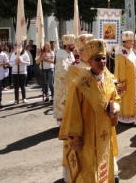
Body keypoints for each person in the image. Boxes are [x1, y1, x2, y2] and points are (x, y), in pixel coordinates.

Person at [59, 39, 120, 183]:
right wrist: (75, 137)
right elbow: (74, 110)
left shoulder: (109, 79)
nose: (102, 62)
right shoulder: (81, 82)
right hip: (87, 134)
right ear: (90, 62)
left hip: (105, 131)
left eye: (104, 58)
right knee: (89, 168)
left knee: (103, 163)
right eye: (97, 59)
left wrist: (116, 107)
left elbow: (116, 98)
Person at [60, 33, 94, 182]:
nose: (92, 52)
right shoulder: (74, 68)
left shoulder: (98, 63)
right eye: (87, 49)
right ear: (80, 52)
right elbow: (75, 88)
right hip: (79, 113)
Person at [114, 31, 136, 126]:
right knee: (127, 101)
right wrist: (122, 85)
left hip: (134, 83)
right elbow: (120, 71)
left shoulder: (130, 51)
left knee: (133, 101)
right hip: (127, 84)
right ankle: (125, 120)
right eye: (130, 41)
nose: (133, 43)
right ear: (125, 42)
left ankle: (132, 117)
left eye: (133, 40)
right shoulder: (120, 54)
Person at [54, 33, 75, 125]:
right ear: (67, 45)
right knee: (62, 102)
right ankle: (61, 122)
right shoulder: (61, 55)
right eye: (72, 45)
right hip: (62, 85)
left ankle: (68, 121)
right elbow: (61, 71)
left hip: (70, 83)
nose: (74, 46)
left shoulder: (70, 54)